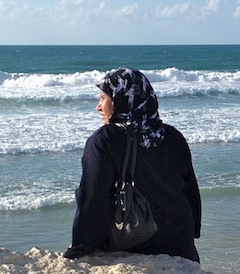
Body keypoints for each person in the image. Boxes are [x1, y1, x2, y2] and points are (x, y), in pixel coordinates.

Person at [63, 68, 202, 263]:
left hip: (137, 243)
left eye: (103, 98)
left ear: (121, 99)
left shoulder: (105, 140)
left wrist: (80, 246)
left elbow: (93, 198)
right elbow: (190, 191)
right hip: (180, 244)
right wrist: (192, 233)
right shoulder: (172, 136)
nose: (98, 107)